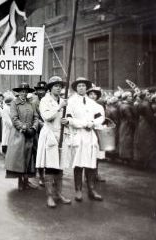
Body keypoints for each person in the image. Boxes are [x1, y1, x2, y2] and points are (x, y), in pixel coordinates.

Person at [64, 77, 104, 201]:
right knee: (79, 163)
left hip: (90, 135)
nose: (81, 88)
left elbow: (100, 117)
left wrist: (92, 123)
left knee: (91, 163)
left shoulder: (92, 103)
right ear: (76, 88)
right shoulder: (71, 102)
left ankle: (91, 190)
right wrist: (83, 124)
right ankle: (78, 190)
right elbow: (69, 119)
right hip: (79, 134)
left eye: (84, 86)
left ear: (87, 88)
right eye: (79, 86)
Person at [36, 76, 71, 208]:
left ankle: (59, 194)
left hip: (62, 135)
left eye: (60, 86)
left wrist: (67, 121)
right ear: (50, 88)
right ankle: (50, 196)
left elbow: (70, 116)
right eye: (55, 85)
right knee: (51, 167)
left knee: (60, 167)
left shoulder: (64, 100)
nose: (58, 88)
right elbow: (46, 116)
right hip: (50, 134)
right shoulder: (45, 100)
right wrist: (58, 107)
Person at [5, 82, 39, 191]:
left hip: (30, 134)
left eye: (26, 91)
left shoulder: (31, 103)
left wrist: (34, 128)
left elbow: (36, 117)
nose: (24, 93)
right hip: (19, 134)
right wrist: (24, 128)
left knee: (30, 157)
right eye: (22, 91)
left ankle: (26, 180)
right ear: (18, 92)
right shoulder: (14, 103)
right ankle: (20, 182)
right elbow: (14, 119)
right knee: (20, 158)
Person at [87, 85, 106, 182]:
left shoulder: (99, 107)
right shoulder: (85, 106)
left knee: (97, 153)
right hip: (88, 130)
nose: (93, 96)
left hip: (97, 129)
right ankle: (88, 176)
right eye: (90, 94)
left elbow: (102, 118)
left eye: (94, 94)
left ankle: (95, 174)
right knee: (88, 153)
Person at [33, 81, 47, 186]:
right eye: (39, 90)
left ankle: (51, 175)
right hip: (39, 130)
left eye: (43, 90)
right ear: (36, 91)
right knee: (40, 152)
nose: (41, 92)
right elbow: (35, 116)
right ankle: (41, 176)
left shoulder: (49, 100)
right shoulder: (34, 102)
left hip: (50, 129)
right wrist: (41, 124)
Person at [118, 91, 135, 164]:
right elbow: (130, 118)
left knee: (123, 140)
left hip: (123, 124)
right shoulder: (127, 106)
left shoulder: (121, 105)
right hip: (127, 125)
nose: (131, 97)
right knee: (127, 141)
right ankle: (127, 158)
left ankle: (123, 157)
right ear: (126, 97)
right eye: (130, 96)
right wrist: (133, 125)